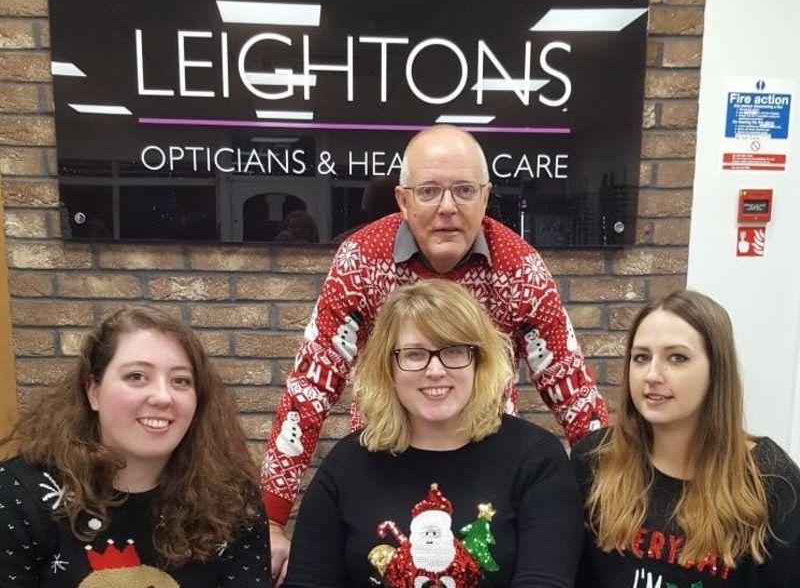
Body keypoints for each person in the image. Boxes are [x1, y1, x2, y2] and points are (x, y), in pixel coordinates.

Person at [263, 124, 608, 582]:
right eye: (429, 191)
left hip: (489, 462)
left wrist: (615, 498)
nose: (447, 208)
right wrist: (271, 517)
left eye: (464, 190)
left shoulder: (520, 267)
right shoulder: (360, 260)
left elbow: (572, 389)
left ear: (486, 197)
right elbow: (312, 384)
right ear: (403, 200)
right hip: (386, 458)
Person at [282, 279, 583, 587]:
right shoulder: (347, 464)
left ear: (479, 360)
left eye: (453, 351)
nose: (435, 370)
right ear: (389, 367)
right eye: (414, 354)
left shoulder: (536, 460)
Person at [0, 306, 270, 588]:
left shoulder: (234, 503)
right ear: (93, 391)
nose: (163, 397)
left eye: (180, 381)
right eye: (137, 376)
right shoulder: (18, 496)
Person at [571, 290, 800, 587]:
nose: (652, 374)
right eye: (641, 357)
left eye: (677, 358)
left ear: (716, 371)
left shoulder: (771, 481)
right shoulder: (593, 460)